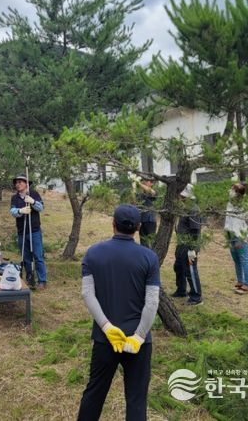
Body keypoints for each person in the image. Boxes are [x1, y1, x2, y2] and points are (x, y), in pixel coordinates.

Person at [78, 204, 160, 421]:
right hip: (138, 343)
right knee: (136, 400)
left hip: (105, 340)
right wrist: (139, 336)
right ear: (139, 227)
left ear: (112, 223)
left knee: (94, 393)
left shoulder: (93, 253)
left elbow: (87, 294)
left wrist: (106, 327)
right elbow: (152, 302)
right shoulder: (149, 257)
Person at [9, 174, 47, 289]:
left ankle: (42, 281)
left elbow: (41, 208)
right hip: (22, 232)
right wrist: (20, 211)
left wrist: (33, 202)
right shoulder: (14, 198)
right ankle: (30, 279)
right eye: (16, 182)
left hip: (34, 231)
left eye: (20, 182)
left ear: (26, 184)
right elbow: (12, 211)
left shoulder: (34, 194)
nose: (18, 184)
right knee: (26, 258)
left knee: (38, 257)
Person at [171, 184, 203, 305]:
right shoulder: (184, 207)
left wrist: (192, 249)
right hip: (181, 244)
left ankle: (196, 296)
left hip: (189, 246)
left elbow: (195, 231)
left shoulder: (193, 209)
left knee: (190, 271)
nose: (180, 197)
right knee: (178, 267)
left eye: (182, 196)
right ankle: (181, 290)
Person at [224, 181, 248, 295]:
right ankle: (240, 281)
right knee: (236, 260)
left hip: (240, 238)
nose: (231, 191)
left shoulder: (246, 207)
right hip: (230, 236)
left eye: (233, 190)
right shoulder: (230, 204)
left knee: (244, 260)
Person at [136, 176, 157, 248]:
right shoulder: (139, 194)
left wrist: (138, 183)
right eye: (143, 181)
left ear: (151, 184)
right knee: (143, 243)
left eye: (146, 181)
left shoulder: (153, 192)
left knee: (152, 242)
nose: (144, 182)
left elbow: (150, 191)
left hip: (150, 221)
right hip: (142, 221)